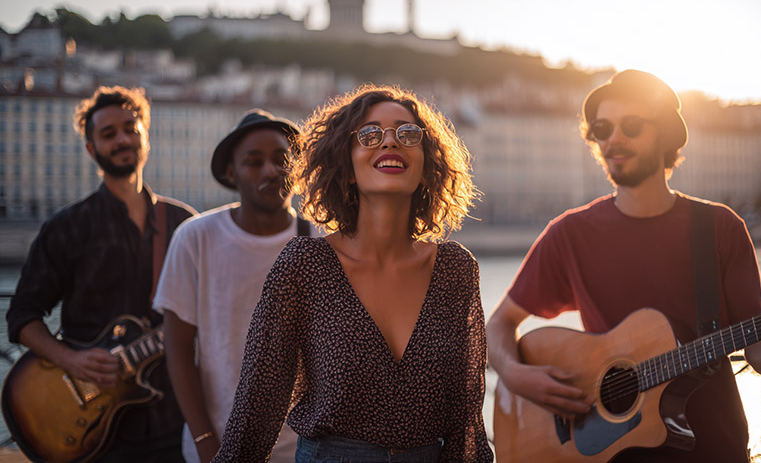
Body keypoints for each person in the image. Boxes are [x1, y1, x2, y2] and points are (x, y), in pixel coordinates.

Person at [486, 69, 761, 462]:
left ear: (666, 134)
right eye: (602, 129)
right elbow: (499, 325)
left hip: (715, 450)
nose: (614, 139)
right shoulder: (568, 234)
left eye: (631, 125)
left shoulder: (721, 228)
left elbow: (759, 352)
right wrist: (517, 375)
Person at [211, 85, 493, 462]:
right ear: (345, 167)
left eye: (408, 134)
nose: (390, 141)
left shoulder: (455, 271)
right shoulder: (305, 265)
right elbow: (255, 415)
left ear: (426, 165)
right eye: (370, 134)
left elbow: (466, 428)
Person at [6, 86, 196, 462]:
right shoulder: (67, 227)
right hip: (94, 433)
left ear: (145, 136)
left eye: (130, 127)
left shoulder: (185, 224)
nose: (122, 138)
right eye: (108, 134)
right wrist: (69, 359)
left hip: (173, 421)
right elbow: (22, 316)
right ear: (92, 149)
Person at [153, 109, 318, 463]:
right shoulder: (196, 237)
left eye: (281, 160)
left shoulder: (319, 240)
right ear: (231, 172)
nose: (271, 171)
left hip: (304, 447)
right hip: (217, 443)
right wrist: (205, 440)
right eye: (254, 162)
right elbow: (178, 349)